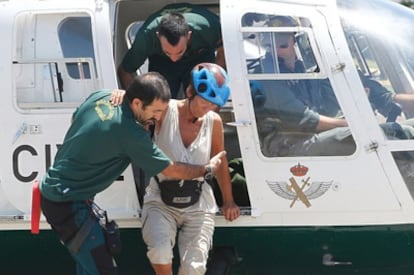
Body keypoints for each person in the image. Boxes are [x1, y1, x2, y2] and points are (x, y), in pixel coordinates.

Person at [38, 72, 226, 275]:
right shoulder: (130, 133)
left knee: (88, 266)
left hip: (61, 193)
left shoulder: (101, 97)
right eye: (154, 111)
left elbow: (76, 117)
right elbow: (171, 169)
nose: (156, 118)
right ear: (137, 103)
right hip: (67, 203)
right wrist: (206, 169)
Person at [142, 63, 240, 275]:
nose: (208, 109)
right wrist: (117, 94)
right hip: (161, 196)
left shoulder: (213, 121)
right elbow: (138, 104)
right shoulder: (166, 110)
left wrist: (229, 200)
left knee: (194, 268)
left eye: (213, 105)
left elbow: (220, 160)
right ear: (189, 92)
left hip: (198, 199)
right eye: (204, 102)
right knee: (159, 252)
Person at [256, 16, 355, 157]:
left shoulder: (303, 69)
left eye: (282, 45)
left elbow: (322, 107)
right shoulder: (265, 75)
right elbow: (304, 119)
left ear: (298, 43)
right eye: (269, 45)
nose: (275, 51)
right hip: (283, 143)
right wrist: (350, 124)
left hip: (305, 135)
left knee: (390, 130)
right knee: (358, 133)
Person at [118, 3, 225, 99]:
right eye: (168, 51)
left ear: (188, 36)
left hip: (199, 57)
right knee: (160, 97)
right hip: (162, 61)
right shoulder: (146, 36)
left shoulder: (209, 27)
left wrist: (212, 86)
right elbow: (125, 70)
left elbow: (223, 53)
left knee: (204, 95)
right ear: (158, 36)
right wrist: (139, 103)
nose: (174, 58)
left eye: (179, 52)